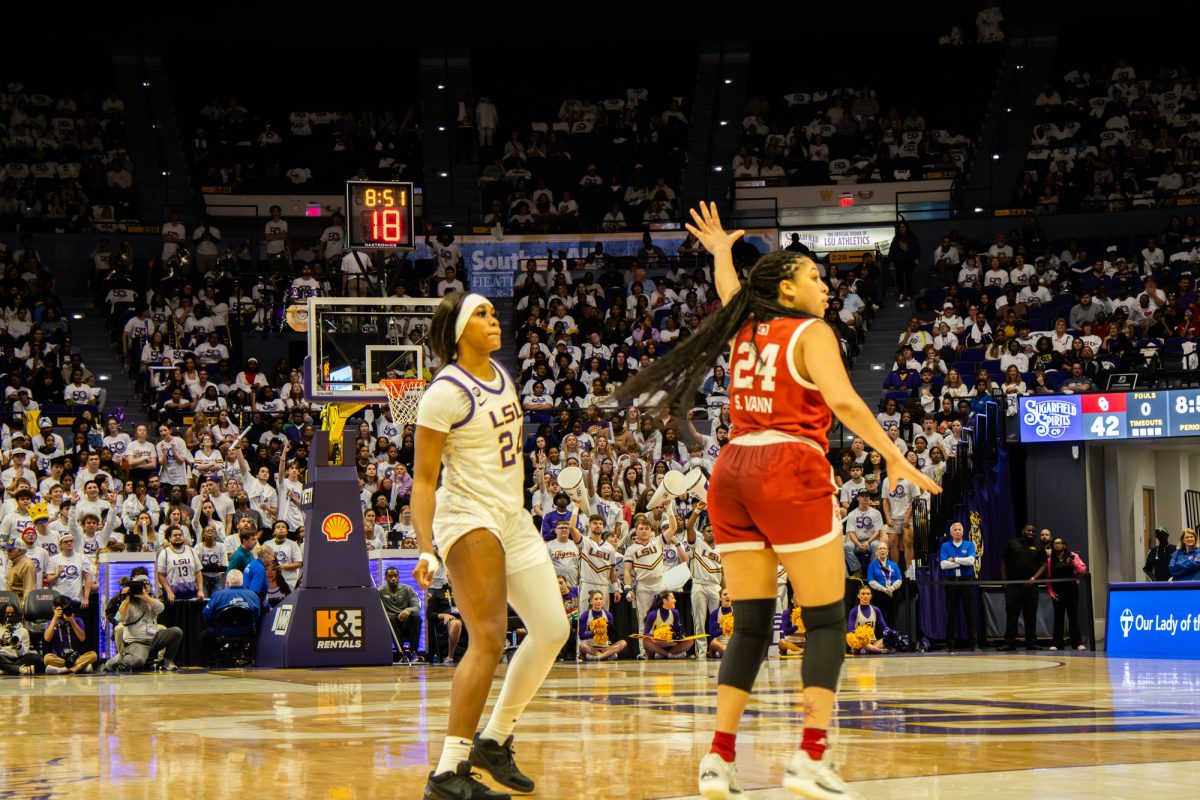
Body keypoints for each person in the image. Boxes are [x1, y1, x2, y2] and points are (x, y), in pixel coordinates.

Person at [613, 203, 939, 800]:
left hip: (732, 470)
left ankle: (718, 759)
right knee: (824, 618)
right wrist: (892, 454)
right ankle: (811, 757)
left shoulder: (746, 325)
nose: (826, 284)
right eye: (816, 277)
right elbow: (841, 401)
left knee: (753, 626)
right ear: (787, 288)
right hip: (788, 466)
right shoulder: (812, 332)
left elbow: (732, 290)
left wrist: (719, 253)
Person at [411, 291, 570, 800]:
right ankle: (447, 771)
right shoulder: (444, 391)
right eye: (480, 314)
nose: (493, 318)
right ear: (459, 331)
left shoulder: (502, 374)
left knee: (551, 629)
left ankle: (494, 741)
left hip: (512, 516)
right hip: (467, 516)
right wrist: (424, 545)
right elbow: (422, 480)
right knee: (488, 638)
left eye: (493, 312)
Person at [102, 574, 184, 672]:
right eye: (141, 586)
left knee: (176, 632)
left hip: (154, 638)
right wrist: (127, 598)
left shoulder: (152, 601)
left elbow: (161, 608)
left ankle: (167, 660)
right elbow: (119, 618)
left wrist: (144, 596)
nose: (145, 587)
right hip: (138, 642)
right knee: (138, 661)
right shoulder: (129, 603)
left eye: (147, 584)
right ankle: (117, 660)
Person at [200, 568, 267, 663]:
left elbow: (206, 615)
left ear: (227, 580)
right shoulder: (253, 595)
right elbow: (257, 615)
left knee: (204, 637)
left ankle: (207, 662)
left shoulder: (218, 595)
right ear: (242, 580)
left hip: (222, 631)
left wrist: (215, 625)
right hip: (246, 631)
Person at [999, 524, 1046, 650]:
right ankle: (1009, 642)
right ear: (1023, 531)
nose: (1031, 533)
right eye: (1028, 530)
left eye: (1033, 531)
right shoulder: (1012, 544)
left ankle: (1031, 642)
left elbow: (1044, 565)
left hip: (1030, 586)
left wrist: (1033, 579)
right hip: (1013, 585)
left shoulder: (1038, 548)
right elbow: (1003, 561)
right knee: (1011, 613)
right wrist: (1004, 580)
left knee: (1030, 614)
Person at [939, 522, 980, 651]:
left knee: (970, 613)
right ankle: (950, 644)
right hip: (950, 581)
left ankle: (974, 644)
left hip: (966, 580)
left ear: (963, 532)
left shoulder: (969, 545)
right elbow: (943, 565)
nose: (957, 532)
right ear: (951, 533)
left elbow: (971, 561)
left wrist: (954, 560)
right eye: (955, 530)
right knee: (950, 613)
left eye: (959, 530)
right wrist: (962, 561)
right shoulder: (945, 546)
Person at [1046, 537, 1087, 651]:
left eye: (1059, 543)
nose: (1057, 545)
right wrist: (1051, 592)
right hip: (1058, 592)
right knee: (1058, 618)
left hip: (1071, 590)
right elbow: (1048, 578)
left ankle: (1077, 643)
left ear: (1064, 545)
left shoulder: (1073, 556)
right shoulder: (1050, 560)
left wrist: (1073, 562)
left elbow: (1082, 571)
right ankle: (1056, 643)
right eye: (1055, 543)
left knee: (1072, 616)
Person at [43, 593, 99, 674]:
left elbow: (82, 638)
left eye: (66, 609)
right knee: (47, 658)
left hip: (75, 657)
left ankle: (65, 670)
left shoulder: (77, 620)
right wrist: (55, 618)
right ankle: (80, 667)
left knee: (93, 655)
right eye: (61, 609)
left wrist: (71, 621)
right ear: (54, 609)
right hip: (59, 657)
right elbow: (47, 638)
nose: (63, 612)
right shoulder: (50, 623)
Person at [379, 566, 422, 660]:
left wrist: (408, 610)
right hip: (391, 624)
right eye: (390, 576)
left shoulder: (408, 589)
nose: (393, 578)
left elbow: (416, 607)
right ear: (385, 578)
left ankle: (414, 652)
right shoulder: (380, 591)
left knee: (416, 617)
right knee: (390, 619)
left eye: (395, 576)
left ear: (399, 577)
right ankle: (401, 654)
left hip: (406, 623)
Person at [640, 590, 695, 659]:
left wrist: (678, 635)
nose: (675, 600)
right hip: (656, 644)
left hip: (670, 644)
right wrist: (660, 635)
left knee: (690, 641)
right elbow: (645, 634)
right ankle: (668, 655)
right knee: (645, 640)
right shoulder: (653, 614)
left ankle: (664, 655)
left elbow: (678, 629)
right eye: (672, 598)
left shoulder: (675, 612)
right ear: (665, 601)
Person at [577, 589, 626, 661]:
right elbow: (581, 636)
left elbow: (612, 634)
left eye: (600, 599)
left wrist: (609, 626)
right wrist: (595, 633)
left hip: (604, 647)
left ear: (603, 601)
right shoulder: (585, 615)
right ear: (591, 601)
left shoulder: (608, 615)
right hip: (591, 647)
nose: (598, 601)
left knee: (623, 643)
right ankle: (605, 656)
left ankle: (599, 657)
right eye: (596, 599)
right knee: (582, 646)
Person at [846, 586, 889, 654]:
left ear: (871, 596)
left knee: (886, 640)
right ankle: (878, 651)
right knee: (861, 645)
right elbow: (850, 630)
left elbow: (884, 627)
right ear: (858, 596)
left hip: (873, 642)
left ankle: (869, 650)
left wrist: (891, 634)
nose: (865, 596)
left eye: (868, 594)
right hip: (859, 643)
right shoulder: (854, 611)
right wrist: (859, 638)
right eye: (863, 594)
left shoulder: (876, 610)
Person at [708, 589, 736, 657]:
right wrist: (724, 630)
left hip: (732, 643)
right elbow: (712, 634)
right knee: (713, 643)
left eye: (729, 594)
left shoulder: (736, 612)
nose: (728, 596)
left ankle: (727, 652)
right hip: (719, 643)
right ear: (720, 598)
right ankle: (725, 652)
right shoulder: (715, 614)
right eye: (725, 594)